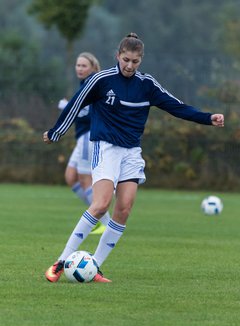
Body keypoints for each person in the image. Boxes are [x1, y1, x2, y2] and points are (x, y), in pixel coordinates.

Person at [43, 33, 224, 283]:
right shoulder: (101, 79)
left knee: (125, 209)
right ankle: (61, 261)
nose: (129, 65)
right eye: (126, 59)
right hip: (105, 148)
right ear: (118, 56)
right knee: (100, 205)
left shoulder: (146, 85)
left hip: (131, 152)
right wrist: (56, 132)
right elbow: (76, 103)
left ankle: (95, 266)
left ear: (141, 60)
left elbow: (176, 106)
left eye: (135, 61)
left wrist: (207, 117)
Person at [59, 52, 110, 235]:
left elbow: (88, 113)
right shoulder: (84, 84)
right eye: (78, 65)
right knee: (70, 176)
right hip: (81, 138)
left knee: (85, 180)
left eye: (84, 66)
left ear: (93, 68)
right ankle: (97, 215)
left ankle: (104, 221)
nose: (80, 69)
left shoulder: (92, 84)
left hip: (89, 137)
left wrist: (67, 107)